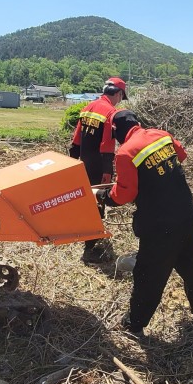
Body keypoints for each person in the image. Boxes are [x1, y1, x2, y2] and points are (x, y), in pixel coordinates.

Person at [95, 110, 193, 336]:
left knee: (149, 275)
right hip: (187, 215)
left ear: (117, 132)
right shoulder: (162, 135)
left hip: (160, 225)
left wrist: (102, 196)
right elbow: (182, 155)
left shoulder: (126, 153)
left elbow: (124, 195)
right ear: (137, 123)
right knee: (192, 267)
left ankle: (134, 324)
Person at [69, 77, 127, 262]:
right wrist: (107, 172)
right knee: (97, 202)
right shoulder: (111, 112)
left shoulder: (88, 107)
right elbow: (107, 145)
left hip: (83, 162)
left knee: (85, 200)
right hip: (98, 165)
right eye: (121, 97)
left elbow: (76, 139)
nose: (120, 100)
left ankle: (85, 234)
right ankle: (90, 248)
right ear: (118, 94)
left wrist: (72, 163)